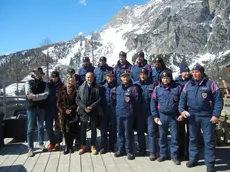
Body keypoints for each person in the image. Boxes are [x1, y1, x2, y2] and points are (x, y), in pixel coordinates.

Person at [178, 63, 223, 172]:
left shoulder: (211, 84)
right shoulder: (188, 85)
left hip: (207, 117)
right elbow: (182, 100)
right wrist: (182, 111)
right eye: (193, 72)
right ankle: (193, 159)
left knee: (209, 141)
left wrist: (216, 115)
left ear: (202, 73)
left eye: (196, 72)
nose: (194, 74)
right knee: (193, 139)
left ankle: (210, 164)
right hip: (192, 116)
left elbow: (218, 100)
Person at [151, 69, 181, 165]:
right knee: (162, 137)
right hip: (162, 116)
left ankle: (174, 156)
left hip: (174, 116)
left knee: (175, 137)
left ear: (170, 78)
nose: (165, 80)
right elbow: (153, 103)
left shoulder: (177, 88)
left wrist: (181, 113)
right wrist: (155, 116)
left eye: (167, 78)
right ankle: (163, 154)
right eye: (163, 78)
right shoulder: (157, 88)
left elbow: (182, 101)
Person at [114, 70, 141, 160]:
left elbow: (137, 103)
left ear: (129, 77)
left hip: (128, 115)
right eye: (123, 76)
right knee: (120, 133)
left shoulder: (133, 88)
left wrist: (134, 114)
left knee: (129, 134)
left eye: (127, 76)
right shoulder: (118, 88)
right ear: (121, 78)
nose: (125, 78)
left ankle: (129, 151)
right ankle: (121, 150)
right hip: (119, 115)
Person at [76, 72, 104, 155]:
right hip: (83, 111)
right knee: (83, 130)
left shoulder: (97, 87)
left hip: (93, 111)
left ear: (93, 77)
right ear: (85, 77)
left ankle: (93, 145)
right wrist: (84, 107)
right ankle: (83, 146)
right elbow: (77, 99)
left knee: (93, 130)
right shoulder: (81, 87)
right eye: (88, 77)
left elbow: (100, 99)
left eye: (91, 77)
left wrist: (91, 107)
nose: (89, 79)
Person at [25, 67, 49, 157]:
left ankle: (41, 143)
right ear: (34, 73)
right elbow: (29, 95)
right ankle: (30, 148)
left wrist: (36, 96)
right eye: (37, 73)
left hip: (41, 107)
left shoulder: (44, 84)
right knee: (30, 128)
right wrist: (38, 96)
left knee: (41, 127)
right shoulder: (28, 82)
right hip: (31, 107)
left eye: (40, 73)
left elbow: (46, 94)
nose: (38, 74)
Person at [135, 68, 157, 160]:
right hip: (139, 112)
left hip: (150, 112)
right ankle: (142, 149)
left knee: (151, 132)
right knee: (140, 132)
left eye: (144, 74)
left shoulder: (153, 84)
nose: (142, 76)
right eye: (141, 74)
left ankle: (152, 152)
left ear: (147, 75)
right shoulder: (136, 84)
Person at [57, 76, 79, 154]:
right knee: (65, 131)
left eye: (73, 81)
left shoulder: (76, 90)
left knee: (72, 130)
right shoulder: (62, 90)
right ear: (67, 81)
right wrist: (65, 109)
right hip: (64, 113)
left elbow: (77, 102)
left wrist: (71, 109)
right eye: (70, 80)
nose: (71, 82)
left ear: (74, 82)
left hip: (72, 113)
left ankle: (71, 146)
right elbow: (59, 102)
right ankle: (67, 146)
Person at [175, 63, 192, 159]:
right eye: (184, 72)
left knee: (191, 133)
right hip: (180, 110)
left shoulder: (192, 81)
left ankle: (190, 153)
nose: (186, 73)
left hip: (190, 109)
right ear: (181, 72)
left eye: (187, 72)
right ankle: (181, 153)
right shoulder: (176, 82)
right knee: (180, 132)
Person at [45, 71, 64, 151]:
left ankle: (58, 142)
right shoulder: (48, 85)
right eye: (53, 77)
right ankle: (52, 142)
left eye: (56, 77)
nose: (54, 78)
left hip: (58, 108)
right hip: (49, 108)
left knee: (58, 126)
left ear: (58, 77)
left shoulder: (62, 85)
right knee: (48, 126)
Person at [100, 72, 117, 154]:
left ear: (113, 77)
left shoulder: (117, 87)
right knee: (103, 129)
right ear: (106, 77)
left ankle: (111, 146)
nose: (109, 77)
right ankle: (104, 146)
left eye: (111, 76)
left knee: (113, 129)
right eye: (108, 76)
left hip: (114, 111)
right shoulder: (103, 88)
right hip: (104, 111)